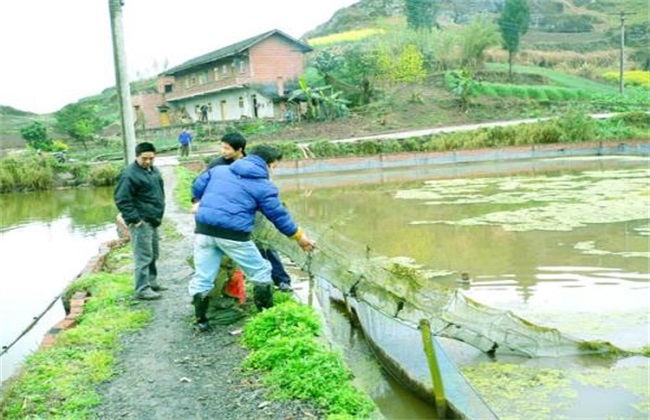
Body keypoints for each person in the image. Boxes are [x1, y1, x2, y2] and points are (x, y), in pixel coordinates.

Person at [189, 144, 315, 331]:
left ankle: (201, 321)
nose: (274, 170)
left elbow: (197, 186)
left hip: (203, 230)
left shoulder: (219, 170)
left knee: (203, 276)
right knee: (261, 270)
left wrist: (197, 201)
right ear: (269, 164)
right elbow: (279, 216)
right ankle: (267, 315)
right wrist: (299, 237)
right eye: (275, 166)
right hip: (233, 235)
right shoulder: (263, 186)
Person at [200, 132, 294, 292]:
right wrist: (197, 201)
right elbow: (203, 185)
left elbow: (264, 190)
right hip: (231, 216)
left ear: (240, 150)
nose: (223, 152)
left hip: (255, 212)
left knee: (266, 246)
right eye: (222, 147)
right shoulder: (218, 164)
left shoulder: (253, 163)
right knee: (236, 252)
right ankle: (249, 285)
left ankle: (281, 280)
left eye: (227, 148)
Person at [114, 142, 167, 300]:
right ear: (137, 156)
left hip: (153, 219)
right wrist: (135, 220)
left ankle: (152, 282)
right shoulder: (129, 174)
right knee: (143, 256)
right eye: (144, 158)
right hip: (141, 221)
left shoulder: (153, 170)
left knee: (153, 253)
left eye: (151, 158)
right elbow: (122, 199)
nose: (148, 162)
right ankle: (142, 289)